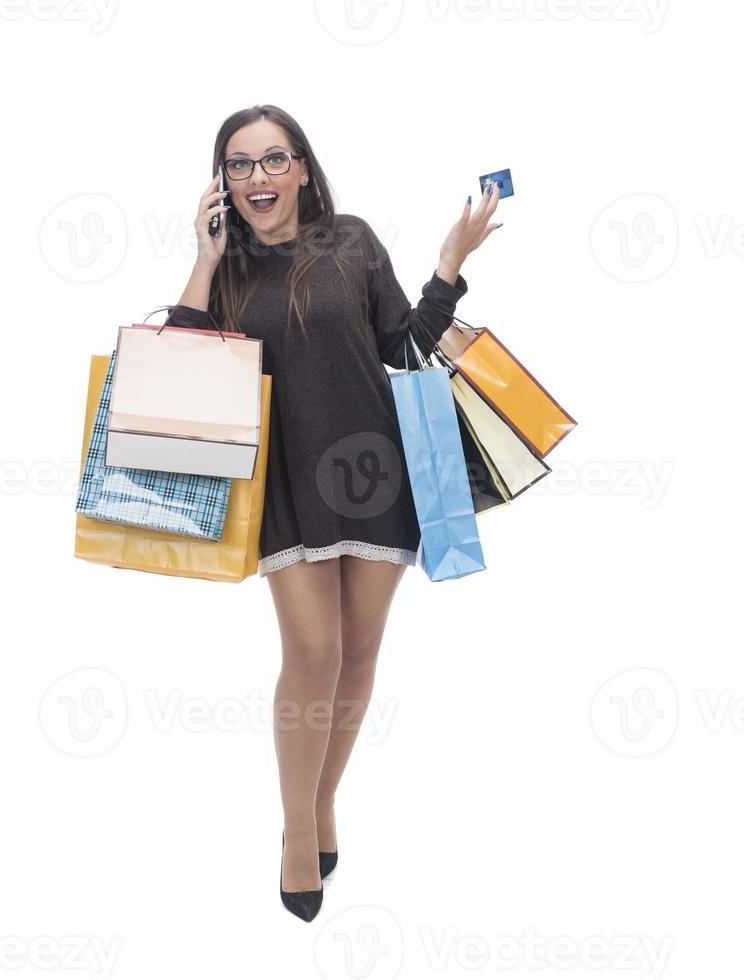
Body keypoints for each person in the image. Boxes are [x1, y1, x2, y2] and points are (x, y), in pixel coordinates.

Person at [164, 104, 501, 922]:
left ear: (304, 169)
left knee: (356, 656)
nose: (258, 178)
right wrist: (204, 261)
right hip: (284, 485)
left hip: (377, 472)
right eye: (239, 165)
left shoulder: (350, 240)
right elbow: (180, 368)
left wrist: (448, 265)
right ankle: (295, 832)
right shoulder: (230, 269)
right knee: (312, 654)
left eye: (273, 160)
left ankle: (321, 806)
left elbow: (405, 346)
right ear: (222, 184)